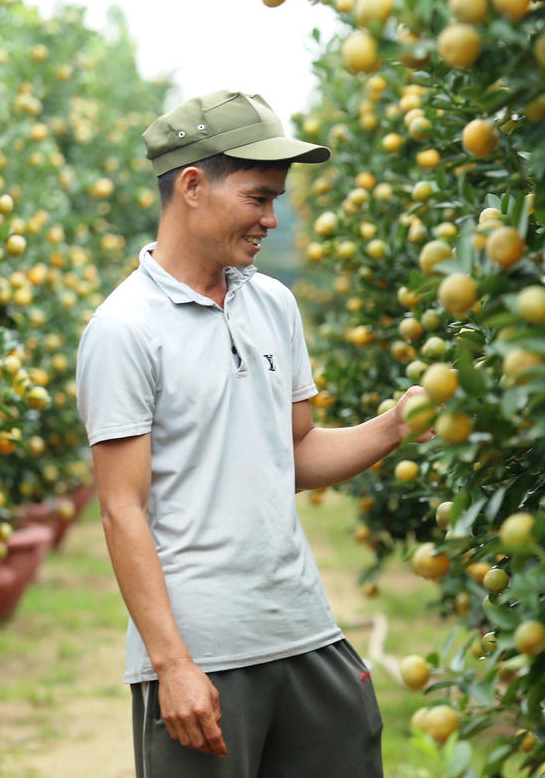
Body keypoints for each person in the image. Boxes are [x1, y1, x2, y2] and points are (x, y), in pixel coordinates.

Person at [74, 90, 432, 777]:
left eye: (275, 200)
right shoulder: (124, 330)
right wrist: (172, 664)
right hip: (204, 655)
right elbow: (121, 508)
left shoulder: (273, 303)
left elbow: (293, 452)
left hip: (304, 630)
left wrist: (394, 425)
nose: (271, 218)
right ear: (191, 187)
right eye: (258, 198)